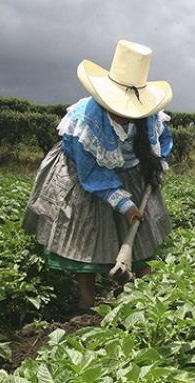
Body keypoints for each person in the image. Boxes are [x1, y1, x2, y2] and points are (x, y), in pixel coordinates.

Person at [23, 40, 174, 311]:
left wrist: (155, 165)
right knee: (88, 233)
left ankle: (143, 301)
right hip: (84, 175)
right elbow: (92, 173)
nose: (125, 116)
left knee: (141, 236)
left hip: (131, 169)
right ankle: (86, 303)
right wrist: (125, 204)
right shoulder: (87, 122)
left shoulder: (151, 117)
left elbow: (162, 142)